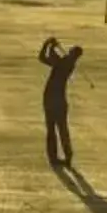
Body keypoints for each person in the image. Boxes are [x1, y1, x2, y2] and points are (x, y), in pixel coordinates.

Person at [38, 35, 84, 167]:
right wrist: (47, 45)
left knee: (61, 130)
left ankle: (67, 157)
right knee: (52, 130)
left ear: (74, 56)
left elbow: (50, 57)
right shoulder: (64, 62)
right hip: (51, 100)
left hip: (56, 101)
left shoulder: (67, 64)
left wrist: (50, 45)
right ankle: (54, 158)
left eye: (72, 52)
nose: (69, 53)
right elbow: (43, 58)